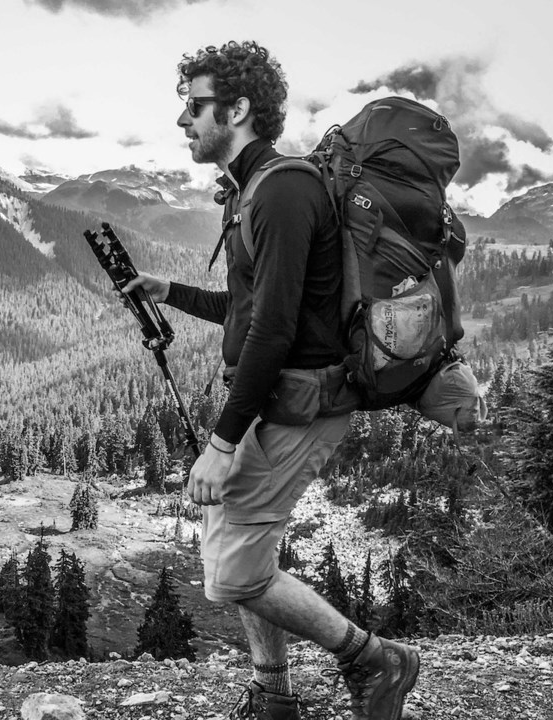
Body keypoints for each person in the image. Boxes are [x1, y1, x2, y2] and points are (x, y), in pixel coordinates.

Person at [123, 41, 419, 720]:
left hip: (300, 404)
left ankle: (375, 659)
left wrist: (223, 443)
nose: (183, 121)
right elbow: (247, 309)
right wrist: (167, 290)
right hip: (275, 401)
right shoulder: (250, 190)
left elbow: (275, 332)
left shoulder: (282, 190)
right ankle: (273, 692)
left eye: (194, 107)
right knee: (235, 545)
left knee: (232, 573)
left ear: (240, 108)